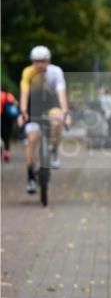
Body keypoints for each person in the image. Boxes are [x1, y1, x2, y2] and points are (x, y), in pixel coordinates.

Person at [18, 45, 70, 192]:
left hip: (51, 102)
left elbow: (61, 93)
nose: (40, 65)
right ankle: (30, 177)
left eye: (43, 61)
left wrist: (65, 113)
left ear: (49, 61)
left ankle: (53, 150)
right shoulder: (28, 72)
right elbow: (24, 93)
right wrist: (23, 112)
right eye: (36, 61)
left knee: (57, 120)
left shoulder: (56, 72)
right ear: (32, 62)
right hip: (34, 105)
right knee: (32, 138)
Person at [1, 86, 18, 162]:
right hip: (9, 120)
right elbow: (16, 104)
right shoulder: (9, 95)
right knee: (7, 137)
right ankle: (7, 153)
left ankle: (2, 152)